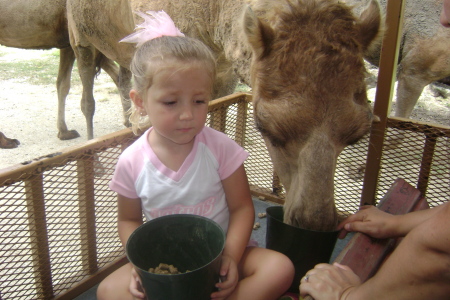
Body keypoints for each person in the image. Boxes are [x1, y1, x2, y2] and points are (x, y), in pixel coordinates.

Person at [96, 11, 294, 300]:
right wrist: (141, 265)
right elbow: (128, 221)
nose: (188, 114)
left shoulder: (220, 148)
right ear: (140, 101)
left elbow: (241, 209)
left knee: (280, 268)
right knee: (108, 291)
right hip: (166, 264)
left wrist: (230, 257)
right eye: (171, 102)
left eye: (199, 101)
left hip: (223, 253)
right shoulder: (132, 161)